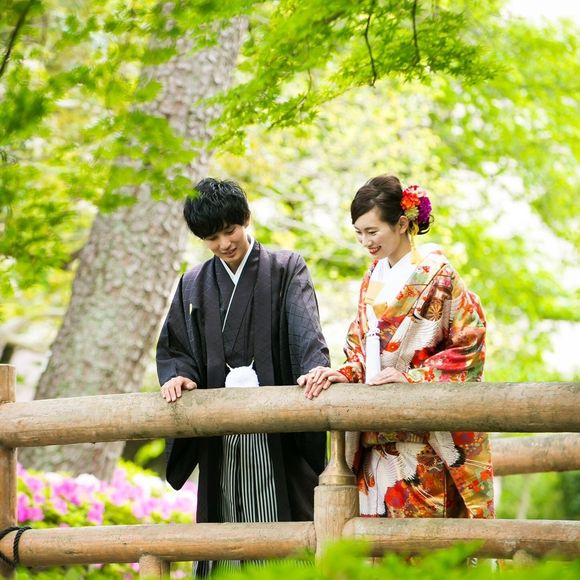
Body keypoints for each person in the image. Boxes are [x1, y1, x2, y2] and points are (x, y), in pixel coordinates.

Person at [157, 178, 330, 575]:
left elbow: (305, 331)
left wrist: (313, 369)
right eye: (212, 238)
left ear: (247, 218)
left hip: (276, 430)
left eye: (230, 230)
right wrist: (180, 375)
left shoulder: (286, 268)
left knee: (283, 529)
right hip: (221, 433)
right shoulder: (192, 283)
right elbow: (177, 347)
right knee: (224, 530)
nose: (224, 244)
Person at [299, 174, 494, 520]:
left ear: (402, 224)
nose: (365, 242)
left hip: (422, 442)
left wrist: (412, 378)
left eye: (372, 232)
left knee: (423, 545)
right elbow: (361, 348)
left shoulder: (439, 275)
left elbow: (469, 345)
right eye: (359, 233)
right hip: (374, 444)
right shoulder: (372, 278)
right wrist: (345, 373)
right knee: (372, 545)